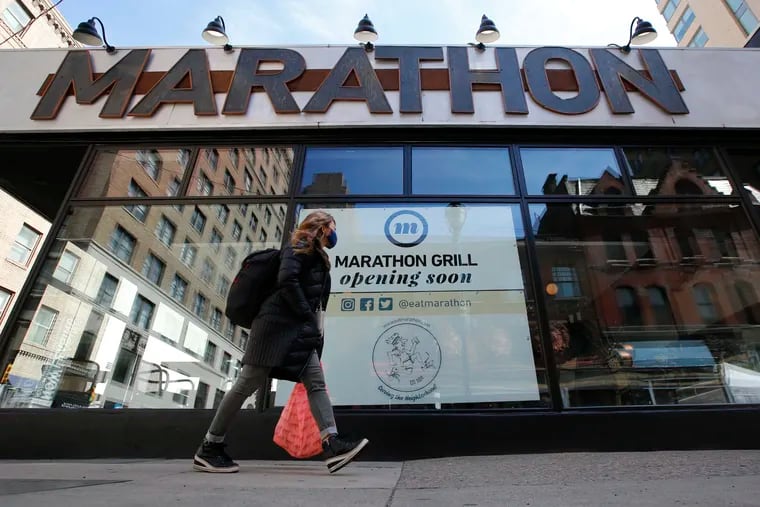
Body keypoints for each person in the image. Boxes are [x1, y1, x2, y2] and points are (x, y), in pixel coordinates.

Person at [193, 210, 368, 474]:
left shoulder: (315, 252)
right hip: (275, 328)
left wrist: (310, 323)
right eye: (332, 227)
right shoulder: (299, 244)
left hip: (296, 330)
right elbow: (287, 279)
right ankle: (209, 446)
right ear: (322, 227)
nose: (334, 233)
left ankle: (332, 444)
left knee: (316, 382)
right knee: (246, 384)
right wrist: (306, 314)